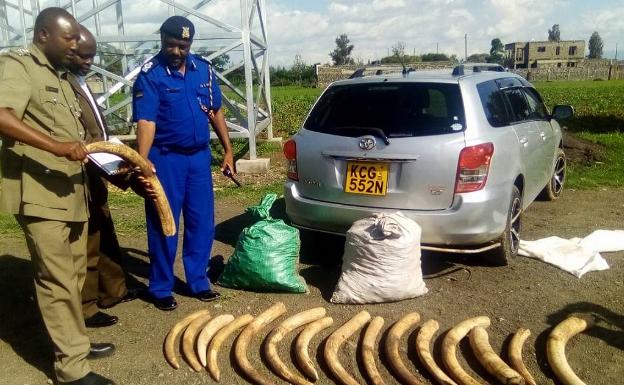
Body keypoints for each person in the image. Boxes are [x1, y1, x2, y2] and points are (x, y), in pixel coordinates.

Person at [0, 7, 116, 385]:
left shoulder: (61, 78)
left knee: (76, 274)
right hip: (39, 193)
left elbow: (79, 141)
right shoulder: (19, 67)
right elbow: (1, 115)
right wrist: (56, 146)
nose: (74, 44)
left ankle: (74, 343)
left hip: (71, 192)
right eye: (68, 38)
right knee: (57, 280)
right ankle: (72, 369)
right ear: (44, 34)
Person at [132, 15, 235, 311]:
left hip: (199, 158)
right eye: (170, 44)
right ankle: (161, 286)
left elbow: (215, 111)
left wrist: (227, 151)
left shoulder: (204, 69)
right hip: (165, 159)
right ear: (162, 40)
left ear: (190, 44)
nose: (176, 51)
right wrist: (141, 161)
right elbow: (147, 120)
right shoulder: (151, 75)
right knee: (164, 222)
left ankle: (198, 281)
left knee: (202, 222)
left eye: (182, 46)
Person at [66, 25, 139, 328]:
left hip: (97, 169)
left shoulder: (80, 81)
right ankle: (86, 306)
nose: (88, 62)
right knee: (88, 242)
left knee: (104, 230)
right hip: (79, 174)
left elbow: (98, 132)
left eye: (92, 56)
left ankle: (114, 291)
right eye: (83, 56)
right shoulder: (63, 84)